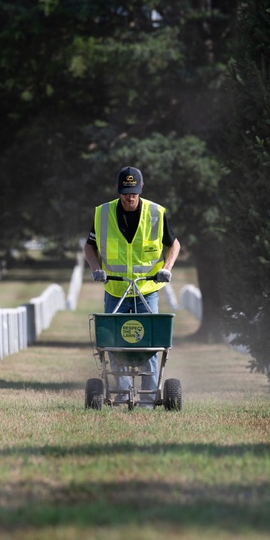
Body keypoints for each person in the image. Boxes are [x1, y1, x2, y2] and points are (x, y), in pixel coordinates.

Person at [84, 166, 181, 401]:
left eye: (134, 192)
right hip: (116, 290)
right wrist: (96, 269)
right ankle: (123, 395)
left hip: (147, 291)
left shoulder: (155, 213)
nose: (130, 197)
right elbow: (90, 246)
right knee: (115, 346)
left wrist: (166, 269)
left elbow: (174, 244)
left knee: (148, 347)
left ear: (141, 189)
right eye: (126, 192)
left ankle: (148, 399)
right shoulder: (103, 213)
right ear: (118, 189)